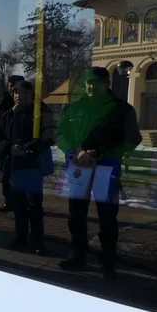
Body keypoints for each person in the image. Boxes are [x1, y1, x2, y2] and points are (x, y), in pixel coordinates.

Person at [57, 67, 142, 280]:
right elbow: (61, 134)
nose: (89, 87)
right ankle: (77, 255)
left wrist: (101, 153)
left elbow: (132, 139)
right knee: (76, 215)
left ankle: (108, 262)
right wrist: (75, 152)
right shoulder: (73, 109)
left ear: (107, 83)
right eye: (87, 82)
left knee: (107, 218)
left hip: (106, 169)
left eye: (95, 82)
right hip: (79, 169)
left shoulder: (122, 110)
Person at [0, 80, 55, 254]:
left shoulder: (40, 114)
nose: (19, 97)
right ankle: (21, 237)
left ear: (31, 95)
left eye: (23, 93)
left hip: (32, 164)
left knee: (34, 205)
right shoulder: (8, 116)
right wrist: (8, 147)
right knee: (18, 204)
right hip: (14, 165)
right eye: (16, 93)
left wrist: (31, 146)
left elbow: (49, 136)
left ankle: (37, 241)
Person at [0, 74, 25, 213]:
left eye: (16, 86)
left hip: (22, 146)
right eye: (11, 86)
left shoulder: (27, 102)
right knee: (6, 175)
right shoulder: (4, 99)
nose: (13, 90)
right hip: (6, 144)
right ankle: (9, 200)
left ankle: (21, 201)